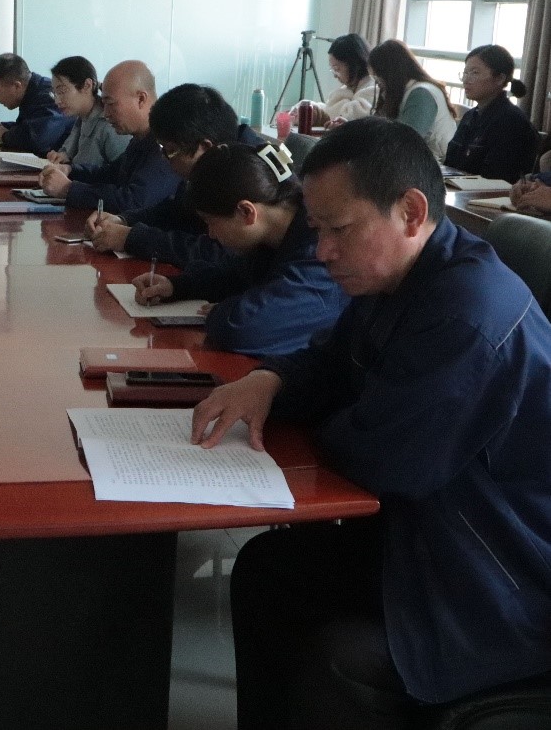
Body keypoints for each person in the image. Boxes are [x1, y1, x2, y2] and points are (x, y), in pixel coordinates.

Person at [191, 117, 551, 729]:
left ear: (411, 212)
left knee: (339, 657)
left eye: (339, 229)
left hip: (498, 573)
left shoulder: (467, 314)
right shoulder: (399, 276)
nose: (322, 251)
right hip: (431, 534)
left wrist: (330, 415)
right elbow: (330, 361)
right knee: (266, 569)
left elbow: (389, 462)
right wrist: (269, 379)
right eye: (316, 230)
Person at [129, 143, 347, 357]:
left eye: (210, 222)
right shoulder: (275, 238)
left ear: (246, 212)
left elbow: (242, 329)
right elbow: (236, 275)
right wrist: (177, 287)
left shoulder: (317, 254)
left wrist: (222, 311)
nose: (210, 234)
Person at [84, 84, 266, 265]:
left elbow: (220, 253)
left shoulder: (250, 175)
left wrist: (131, 238)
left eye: (170, 151)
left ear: (205, 148)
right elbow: (177, 209)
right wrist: (123, 220)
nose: (164, 159)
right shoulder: (214, 161)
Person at [35, 60, 179, 214]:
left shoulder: (167, 142)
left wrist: (68, 189)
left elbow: (134, 201)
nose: (105, 113)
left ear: (141, 99)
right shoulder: (140, 138)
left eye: (111, 104)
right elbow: (110, 174)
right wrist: (70, 170)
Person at [443, 44, 539, 182]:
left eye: (475, 73)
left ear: (500, 78)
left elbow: (498, 177)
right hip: (458, 187)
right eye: (465, 73)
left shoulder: (511, 121)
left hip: (488, 192)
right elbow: (450, 162)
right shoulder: (470, 116)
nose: (466, 80)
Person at [368, 39, 457, 160]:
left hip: (436, 164)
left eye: (378, 75)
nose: (377, 81)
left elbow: (406, 143)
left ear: (390, 73)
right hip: (419, 161)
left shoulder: (421, 94)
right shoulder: (403, 92)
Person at [0, 53, 74, 157]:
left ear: (17, 86)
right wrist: (1, 127)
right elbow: (30, 126)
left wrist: (4, 135)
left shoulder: (49, 95)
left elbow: (39, 140)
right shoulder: (32, 91)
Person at [45, 56, 130, 169]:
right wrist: (62, 156)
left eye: (62, 91)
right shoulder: (82, 117)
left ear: (87, 85)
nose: (57, 101)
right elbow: (71, 155)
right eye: (55, 93)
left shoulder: (111, 124)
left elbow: (123, 174)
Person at [289, 33, 377, 129]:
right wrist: (311, 107)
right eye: (332, 69)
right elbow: (330, 110)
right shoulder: (349, 90)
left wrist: (321, 111)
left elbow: (347, 116)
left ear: (354, 65)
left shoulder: (373, 89)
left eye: (336, 69)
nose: (335, 75)